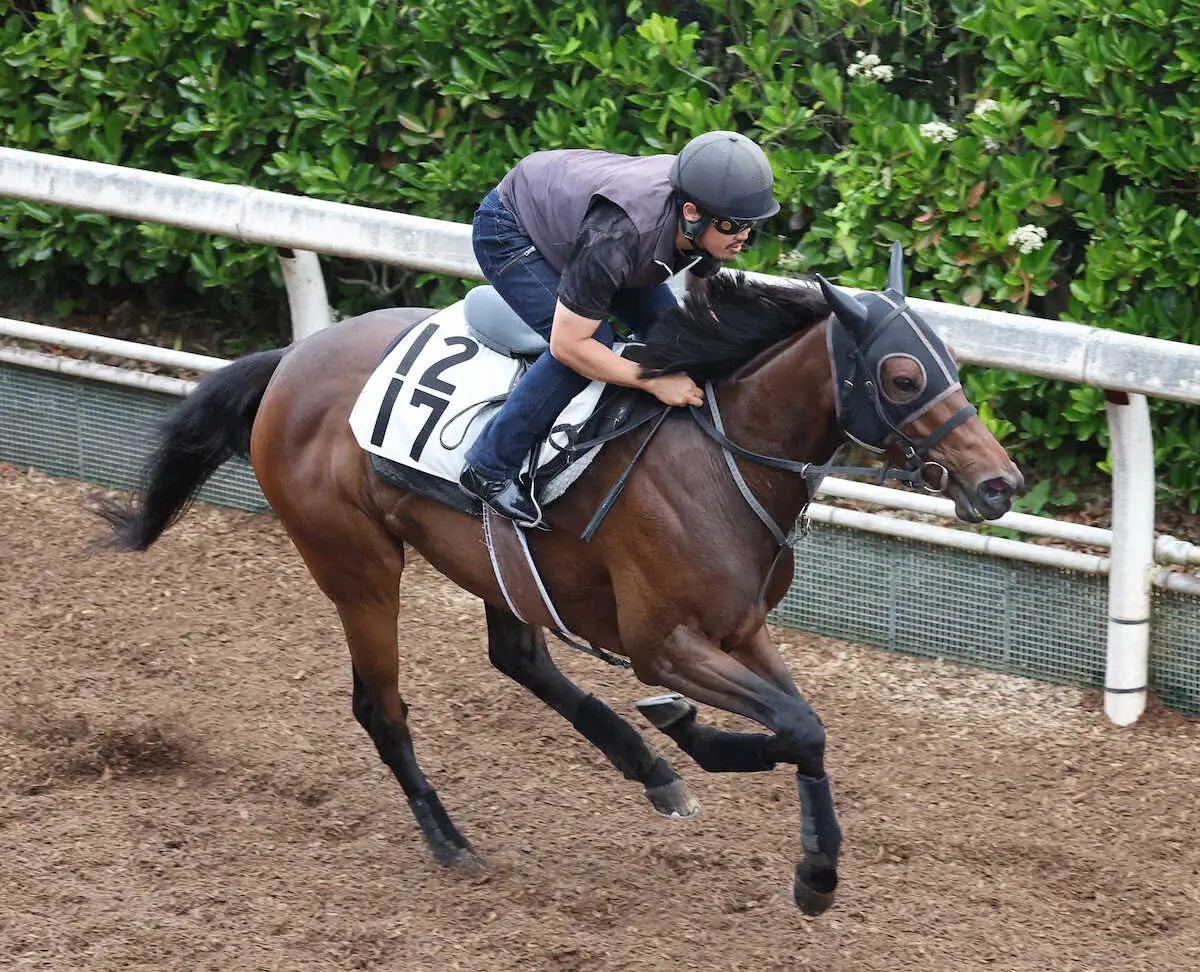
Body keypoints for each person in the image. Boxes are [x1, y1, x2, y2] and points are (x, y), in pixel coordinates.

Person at [459, 130, 781, 528]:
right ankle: (489, 466)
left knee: (678, 335)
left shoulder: (710, 220)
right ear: (693, 213)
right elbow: (568, 346)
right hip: (513, 228)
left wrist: (706, 334)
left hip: (591, 233)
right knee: (593, 344)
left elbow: (701, 281)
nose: (745, 237)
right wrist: (650, 381)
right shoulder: (621, 235)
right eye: (735, 226)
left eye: (752, 226)